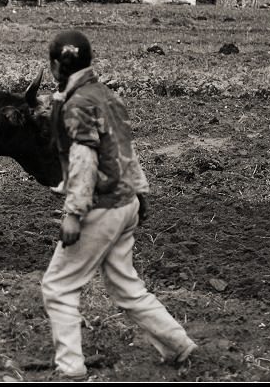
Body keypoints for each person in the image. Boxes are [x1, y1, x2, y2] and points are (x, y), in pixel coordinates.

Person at [40, 30, 196, 380]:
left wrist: (73, 213)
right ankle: (178, 345)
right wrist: (140, 194)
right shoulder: (106, 95)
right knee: (126, 287)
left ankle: (70, 369)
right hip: (126, 203)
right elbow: (125, 149)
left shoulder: (77, 104)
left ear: (54, 66)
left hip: (102, 208)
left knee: (58, 287)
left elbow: (84, 159)